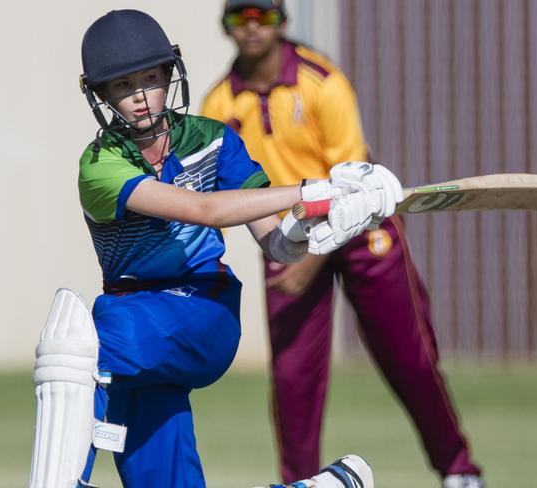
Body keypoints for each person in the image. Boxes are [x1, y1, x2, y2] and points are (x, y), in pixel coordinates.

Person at [28, 8, 402, 488]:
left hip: (203, 313)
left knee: (82, 342)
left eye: (150, 78)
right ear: (101, 95)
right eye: (123, 86)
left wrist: (327, 220)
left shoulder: (215, 140)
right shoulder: (100, 166)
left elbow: (280, 247)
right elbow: (206, 211)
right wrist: (315, 191)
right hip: (139, 334)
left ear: (169, 75)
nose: (141, 97)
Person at [201, 2, 484, 488]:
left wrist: (311, 259)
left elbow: (353, 192)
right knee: (293, 380)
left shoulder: (322, 81)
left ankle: (458, 471)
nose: (251, 28)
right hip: (287, 237)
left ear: (282, 23)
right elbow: (226, 196)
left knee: (408, 357)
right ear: (226, 27)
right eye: (239, 18)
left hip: (360, 227)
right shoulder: (220, 104)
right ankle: (301, 482)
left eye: (263, 17)